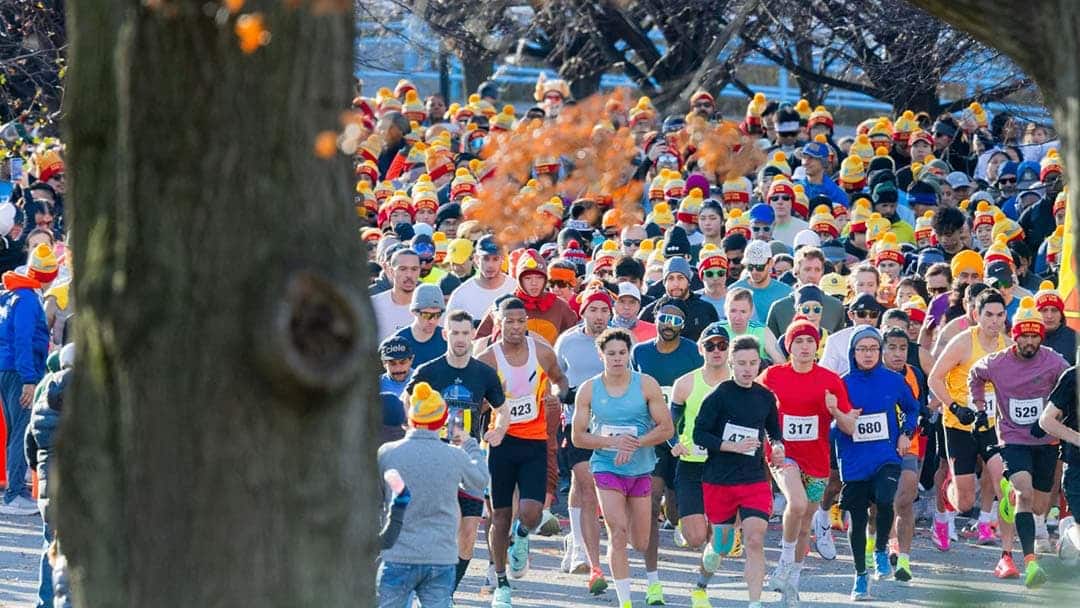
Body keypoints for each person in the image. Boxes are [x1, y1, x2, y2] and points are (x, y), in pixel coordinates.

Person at [406, 309, 506, 600]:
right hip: (433, 458)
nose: (461, 339)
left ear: (473, 335)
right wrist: (413, 429)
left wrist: (498, 431)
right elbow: (407, 400)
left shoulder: (484, 374)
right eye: (455, 333)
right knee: (436, 529)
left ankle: (446, 592)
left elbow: (502, 410)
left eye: (466, 333)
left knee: (467, 535)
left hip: (468, 459)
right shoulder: (429, 371)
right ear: (445, 334)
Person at [968, 297, 1068, 588]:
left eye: (1034, 334)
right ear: (1015, 336)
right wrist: (978, 407)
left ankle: (1012, 504)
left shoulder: (1054, 361)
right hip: (1013, 439)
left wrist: (1056, 417)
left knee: (1038, 505)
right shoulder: (997, 363)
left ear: (1041, 335)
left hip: (1046, 441)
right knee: (1023, 493)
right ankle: (1028, 561)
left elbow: (1069, 386)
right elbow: (975, 375)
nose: (1029, 340)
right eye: (1023, 334)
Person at [571, 328, 673, 608]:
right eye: (611, 354)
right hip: (606, 467)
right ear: (601, 355)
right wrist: (612, 443)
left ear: (629, 354)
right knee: (617, 531)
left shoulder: (646, 384)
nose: (617, 358)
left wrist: (636, 443)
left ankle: (630, 564)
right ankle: (625, 601)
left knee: (640, 541)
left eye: (622, 353)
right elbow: (578, 436)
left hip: (641, 469)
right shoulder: (589, 389)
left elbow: (666, 428)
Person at [477, 297, 568, 608]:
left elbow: (560, 381)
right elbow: (477, 403)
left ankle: (523, 536)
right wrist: (488, 409)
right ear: (498, 322)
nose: (515, 327)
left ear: (526, 321)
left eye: (520, 321)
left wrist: (556, 396)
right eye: (509, 321)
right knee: (498, 517)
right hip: (500, 444)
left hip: (533, 441)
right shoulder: (488, 359)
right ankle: (502, 584)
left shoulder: (541, 352)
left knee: (530, 512)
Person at [759, 318, 857, 606]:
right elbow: (754, 409)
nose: (805, 346)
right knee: (797, 504)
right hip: (782, 452)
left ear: (817, 346)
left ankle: (793, 585)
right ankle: (784, 562)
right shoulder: (772, 377)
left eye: (810, 341)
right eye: (798, 341)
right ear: (789, 346)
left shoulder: (830, 380)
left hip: (817, 459)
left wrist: (834, 410)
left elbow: (849, 426)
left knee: (804, 527)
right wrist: (766, 440)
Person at [376, 381, 490, 608]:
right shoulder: (454, 456)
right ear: (442, 421)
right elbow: (480, 479)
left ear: (410, 418)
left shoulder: (387, 454)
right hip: (440, 556)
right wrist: (469, 444)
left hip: (398, 553)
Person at [693, 335, 785, 608]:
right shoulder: (718, 396)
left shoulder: (765, 397)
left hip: (754, 479)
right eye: (742, 363)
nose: (747, 369)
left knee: (755, 539)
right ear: (731, 362)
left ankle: (754, 603)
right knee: (721, 545)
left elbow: (773, 430)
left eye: (753, 363)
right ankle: (701, 586)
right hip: (719, 480)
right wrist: (729, 446)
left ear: (759, 364)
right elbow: (699, 435)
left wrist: (778, 446)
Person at [928, 290, 1013, 565]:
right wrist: (953, 406)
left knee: (1005, 484)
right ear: (976, 315)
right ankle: (946, 501)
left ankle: (1008, 555)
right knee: (964, 502)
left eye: (1000, 315)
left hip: (991, 426)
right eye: (989, 314)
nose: (995, 321)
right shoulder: (963, 342)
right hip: (958, 424)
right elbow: (934, 378)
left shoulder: (1008, 345)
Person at [835, 326, 920, 599]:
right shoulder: (842, 383)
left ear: (880, 351)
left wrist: (907, 433)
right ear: (853, 352)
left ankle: (881, 548)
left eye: (873, 348)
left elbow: (912, 408)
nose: (868, 354)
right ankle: (860, 575)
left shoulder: (893, 380)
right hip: (854, 459)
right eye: (863, 349)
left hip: (886, 455)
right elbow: (829, 423)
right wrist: (844, 421)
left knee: (885, 499)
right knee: (858, 520)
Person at [630, 303, 703, 605]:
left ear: (683, 325)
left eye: (676, 320)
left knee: (676, 511)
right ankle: (652, 576)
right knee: (651, 495)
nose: (669, 324)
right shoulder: (641, 352)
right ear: (656, 320)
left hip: (684, 438)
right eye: (664, 318)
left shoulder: (692, 352)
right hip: (654, 436)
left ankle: (673, 521)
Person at [668, 323, 732, 607]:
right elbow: (670, 424)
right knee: (696, 537)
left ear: (729, 349)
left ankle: (700, 588)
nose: (716, 351)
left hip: (728, 467)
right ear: (700, 349)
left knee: (719, 541)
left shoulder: (739, 380)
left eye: (722, 345)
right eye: (710, 345)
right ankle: (682, 520)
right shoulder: (686, 383)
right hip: (692, 464)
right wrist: (674, 444)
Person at [554, 288, 613, 591]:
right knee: (585, 480)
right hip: (574, 421)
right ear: (583, 312)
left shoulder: (617, 341)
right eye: (594, 310)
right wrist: (566, 393)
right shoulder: (568, 340)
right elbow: (554, 378)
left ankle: (576, 538)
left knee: (587, 485)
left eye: (604, 310)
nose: (600, 316)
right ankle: (584, 550)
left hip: (611, 423)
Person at [0, 243, 57, 515]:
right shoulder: (27, 299)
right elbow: (23, 340)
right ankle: (14, 495)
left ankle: (14, 491)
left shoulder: (13, 295)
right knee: (20, 429)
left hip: (8, 370)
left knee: (14, 429)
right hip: (19, 371)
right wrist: (28, 378)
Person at [879, 327, 930, 582]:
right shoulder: (873, 375)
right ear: (882, 349)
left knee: (905, 499)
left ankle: (905, 560)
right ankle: (888, 545)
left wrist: (924, 416)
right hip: (878, 445)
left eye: (903, 348)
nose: (898, 354)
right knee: (882, 502)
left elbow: (920, 406)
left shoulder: (915, 374)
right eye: (892, 348)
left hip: (909, 443)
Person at [1039, 366, 1080, 564]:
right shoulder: (1073, 376)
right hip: (1077, 465)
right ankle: (1071, 532)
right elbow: (1046, 420)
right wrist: (1077, 438)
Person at [766, 246, 845, 337]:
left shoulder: (836, 306)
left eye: (817, 270)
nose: (812, 275)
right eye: (807, 269)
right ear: (796, 271)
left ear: (822, 272)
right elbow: (770, 346)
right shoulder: (779, 308)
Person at [639, 257, 719, 341]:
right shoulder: (652, 311)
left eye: (680, 278)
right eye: (671, 278)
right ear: (664, 283)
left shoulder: (705, 309)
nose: (676, 284)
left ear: (688, 281)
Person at [446, 236, 515, 321]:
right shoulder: (461, 294)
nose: (490, 265)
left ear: (503, 259)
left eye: (495, 259)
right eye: (485, 259)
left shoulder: (514, 288)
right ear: (476, 259)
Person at [820, 293, 884, 376]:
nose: (868, 319)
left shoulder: (885, 337)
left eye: (873, 314)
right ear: (851, 315)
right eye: (862, 314)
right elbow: (825, 373)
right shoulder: (835, 340)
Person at [730, 240, 792, 324]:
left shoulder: (786, 293)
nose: (754, 271)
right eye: (750, 267)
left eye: (759, 267)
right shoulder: (733, 291)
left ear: (770, 263)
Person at [720, 288, 785, 365]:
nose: (738, 317)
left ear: (751, 312)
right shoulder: (717, 331)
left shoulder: (761, 330)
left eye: (743, 312)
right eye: (733, 311)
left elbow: (781, 362)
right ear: (725, 311)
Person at [373, 248, 422, 340]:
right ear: (391, 271)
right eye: (403, 269)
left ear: (419, 271)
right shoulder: (374, 305)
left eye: (414, 269)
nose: (409, 275)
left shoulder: (430, 309)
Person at [394, 284, 448, 367]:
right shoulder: (398, 342)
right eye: (426, 315)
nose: (432, 321)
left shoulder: (447, 340)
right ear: (414, 312)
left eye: (437, 315)